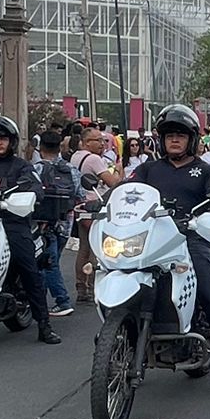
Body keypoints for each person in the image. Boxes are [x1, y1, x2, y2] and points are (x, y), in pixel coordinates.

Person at [130, 104, 210, 395]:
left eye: (180, 135)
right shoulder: (148, 169)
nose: (174, 140)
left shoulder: (205, 171)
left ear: (191, 139)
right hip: (150, 241)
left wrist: (207, 214)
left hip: (191, 239)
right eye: (169, 136)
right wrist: (102, 203)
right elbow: (126, 193)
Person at [0, 116, 60, 344]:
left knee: (28, 268)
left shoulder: (21, 166)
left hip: (11, 222)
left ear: (11, 141)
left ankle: (44, 325)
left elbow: (35, 187)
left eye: (3, 138)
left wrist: (28, 194)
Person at [70, 127, 122, 303]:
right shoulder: (93, 159)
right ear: (86, 143)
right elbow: (113, 182)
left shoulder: (76, 156)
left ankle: (80, 287)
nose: (102, 144)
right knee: (96, 250)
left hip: (79, 207)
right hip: (94, 208)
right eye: (98, 140)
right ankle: (93, 288)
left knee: (83, 248)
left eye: (103, 140)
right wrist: (118, 170)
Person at [33, 127, 78, 318]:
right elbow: (79, 194)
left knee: (47, 263)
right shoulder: (70, 169)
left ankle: (62, 300)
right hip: (64, 223)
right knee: (52, 260)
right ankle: (40, 300)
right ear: (60, 147)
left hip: (42, 224)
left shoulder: (36, 169)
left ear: (40, 147)